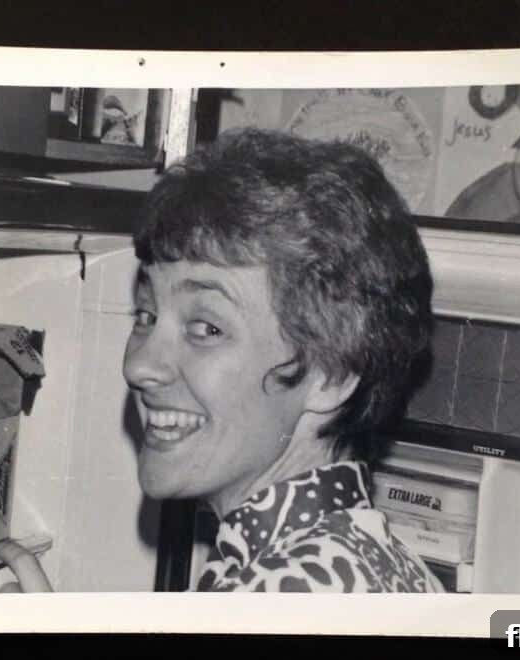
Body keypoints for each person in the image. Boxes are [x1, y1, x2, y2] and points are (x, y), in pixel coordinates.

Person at [121, 127, 442, 592]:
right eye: (146, 315)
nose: (139, 365)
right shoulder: (383, 561)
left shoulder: (273, 593)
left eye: (207, 328)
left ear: (331, 373)